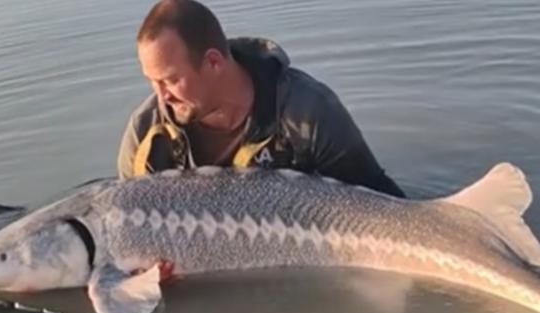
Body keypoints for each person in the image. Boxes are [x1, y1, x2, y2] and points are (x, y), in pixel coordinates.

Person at [116, 0, 406, 197]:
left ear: (214, 63)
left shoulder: (308, 114)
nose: (161, 96)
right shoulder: (146, 133)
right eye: (152, 81)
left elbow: (382, 202)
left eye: (171, 80)